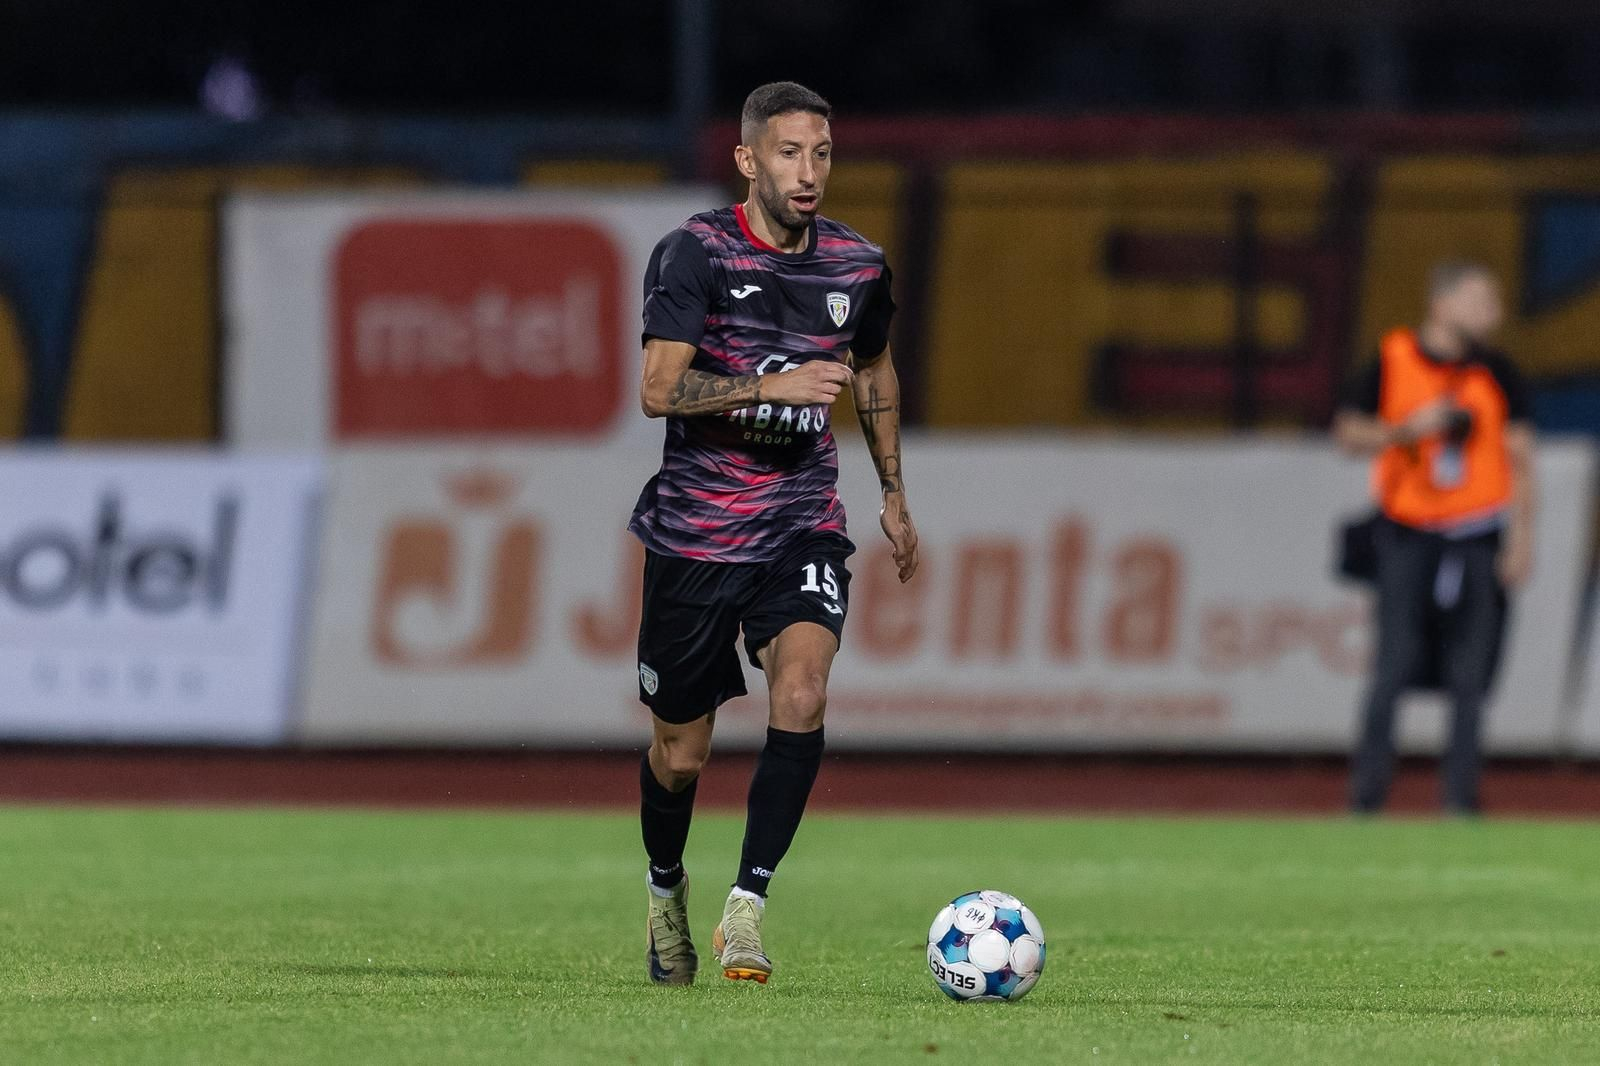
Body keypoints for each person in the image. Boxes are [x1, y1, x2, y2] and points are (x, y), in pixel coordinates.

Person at [630, 81, 919, 985]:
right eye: (790, 154)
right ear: (749, 160)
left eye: (823, 153)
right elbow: (657, 390)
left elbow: (872, 371)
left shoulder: (857, 264)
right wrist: (770, 384)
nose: (809, 173)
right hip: (697, 535)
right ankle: (665, 891)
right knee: (681, 752)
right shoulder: (696, 254)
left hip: (801, 522)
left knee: (802, 693)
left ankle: (746, 908)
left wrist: (895, 494)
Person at [1334, 261, 1536, 815]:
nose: (1490, 314)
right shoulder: (1394, 358)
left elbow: (1521, 460)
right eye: (1479, 300)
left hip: (1475, 536)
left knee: (1471, 675)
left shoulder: (1499, 372)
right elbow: (1347, 433)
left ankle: (1460, 800)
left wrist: (1522, 540)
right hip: (1408, 534)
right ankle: (1366, 798)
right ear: (1440, 304)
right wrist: (1405, 430)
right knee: (1392, 666)